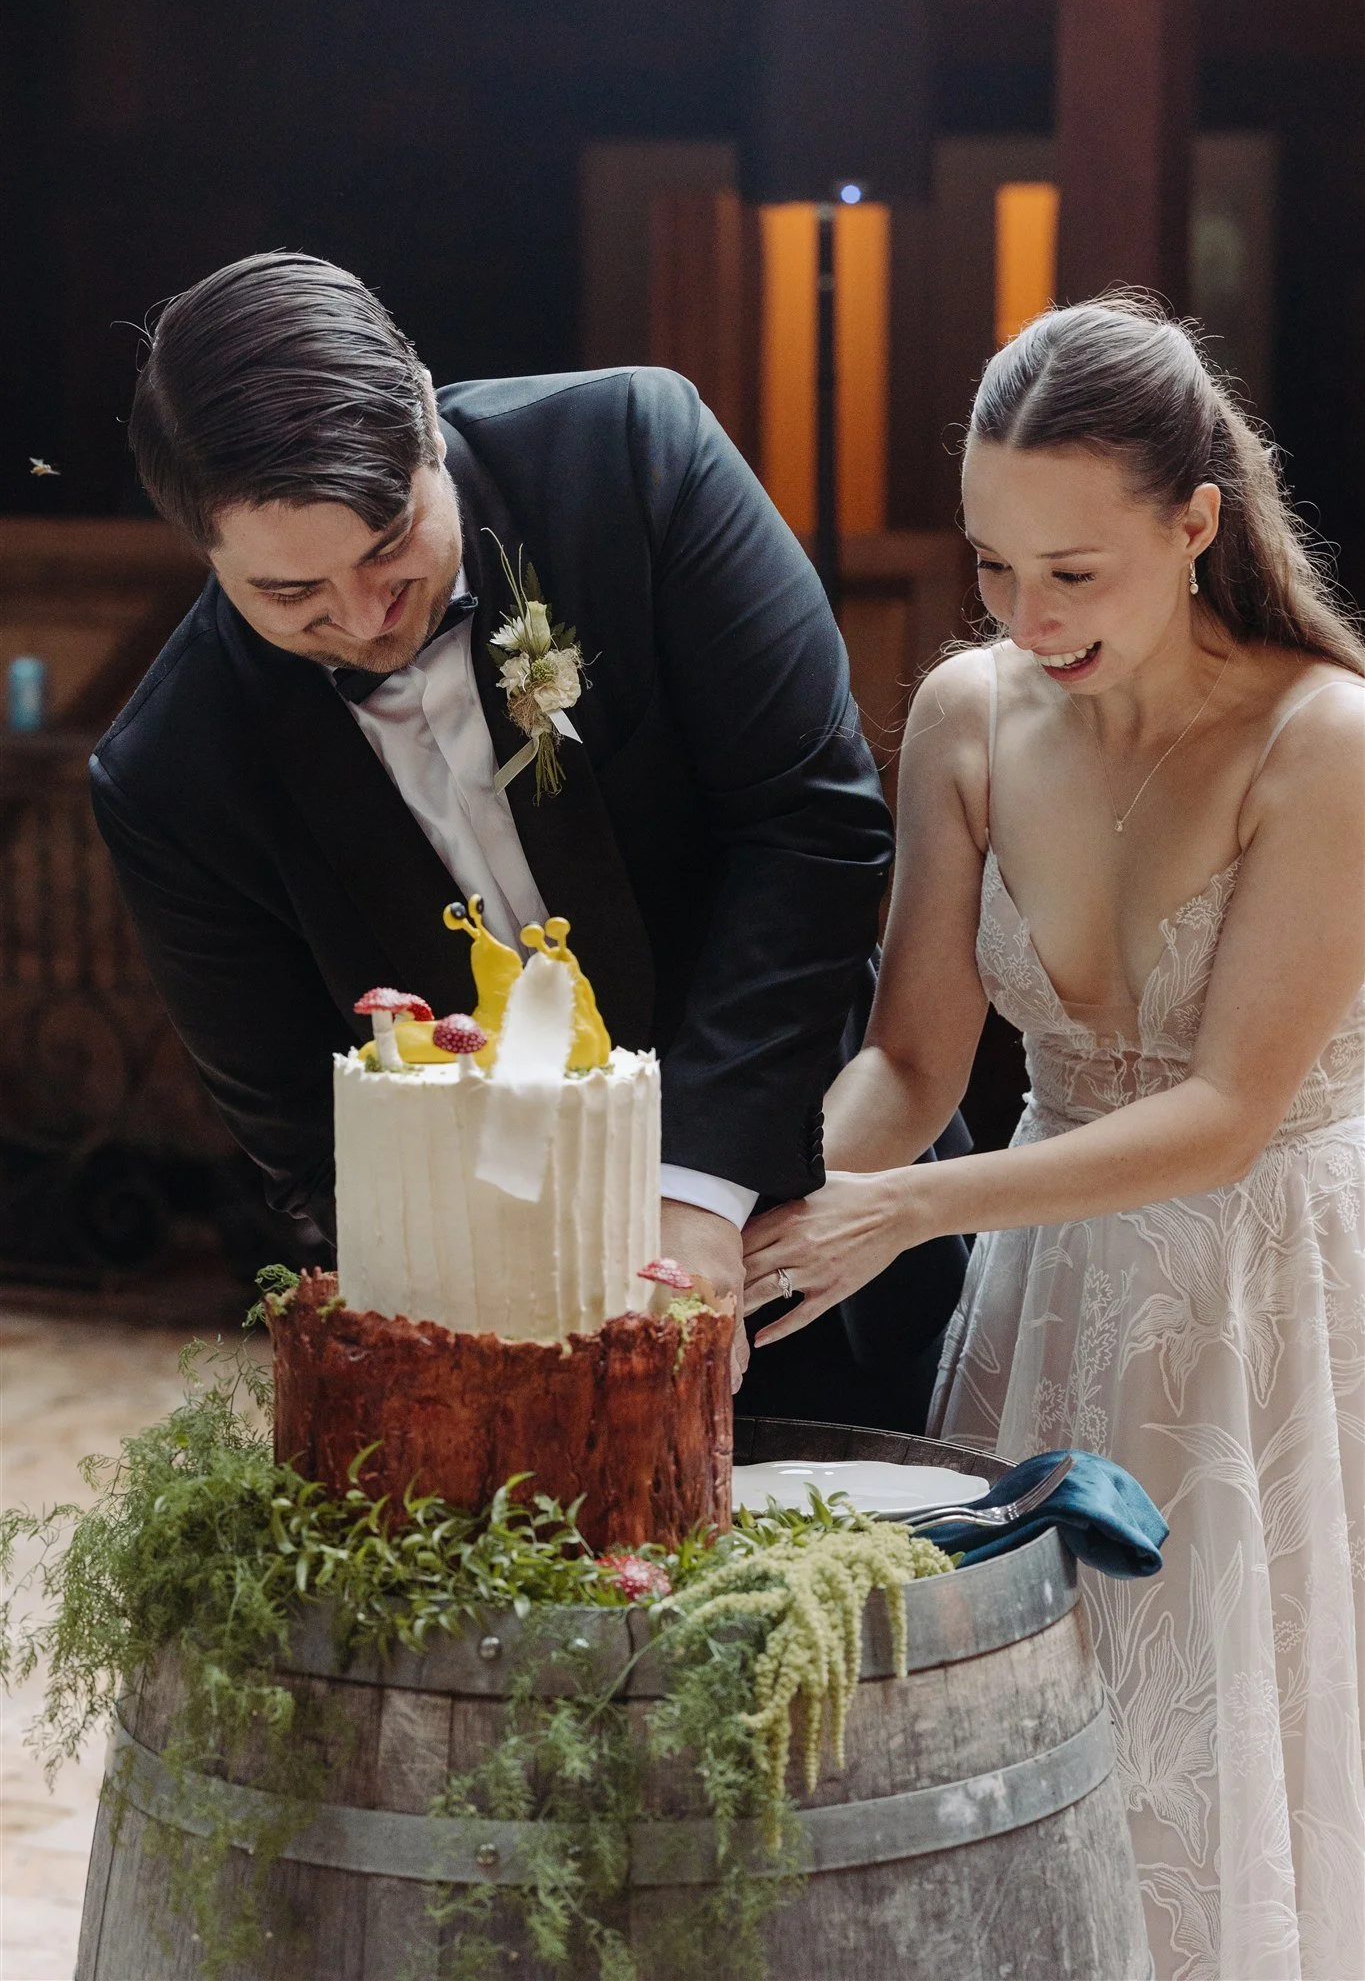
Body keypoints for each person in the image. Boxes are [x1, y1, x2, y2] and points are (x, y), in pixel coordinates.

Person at [743, 299, 1365, 1978]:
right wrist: (775, 1205)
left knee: (1225, 1755)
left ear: (1195, 523)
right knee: (1022, 1752)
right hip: (1038, 1290)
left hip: (1263, 1306)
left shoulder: (1325, 738)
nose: (1026, 616)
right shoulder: (968, 711)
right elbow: (912, 1052)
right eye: (994, 565)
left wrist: (910, 1207)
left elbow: (1229, 1113)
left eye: (1072, 573)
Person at [90, 250, 968, 1417]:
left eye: (389, 546)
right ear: (204, 551)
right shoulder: (171, 779)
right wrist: (509, 1337)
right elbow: (315, 1135)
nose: (361, 619)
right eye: (291, 600)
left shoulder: (636, 457)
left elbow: (809, 823)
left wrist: (699, 1194)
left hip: (821, 1217)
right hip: (512, 1355)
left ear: (425, 408)